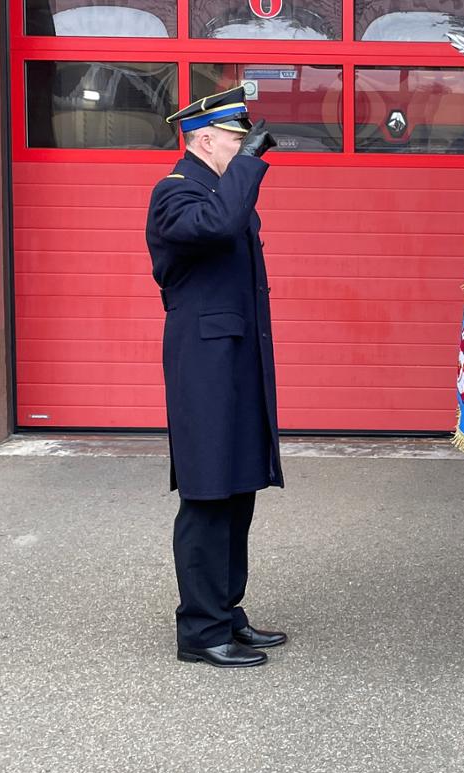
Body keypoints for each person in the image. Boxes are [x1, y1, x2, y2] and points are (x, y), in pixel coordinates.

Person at [145, 82, 289, 669]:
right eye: (237, 136)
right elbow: (216, 227)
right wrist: (250, 165)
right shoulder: (174, 193)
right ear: (204, 139)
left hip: (235, 360)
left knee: (237, 490)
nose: (245, 144)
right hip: (203, 365)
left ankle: (227, 612)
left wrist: (244, 165)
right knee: (207, 495)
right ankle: (200, 632)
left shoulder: (216, 191)